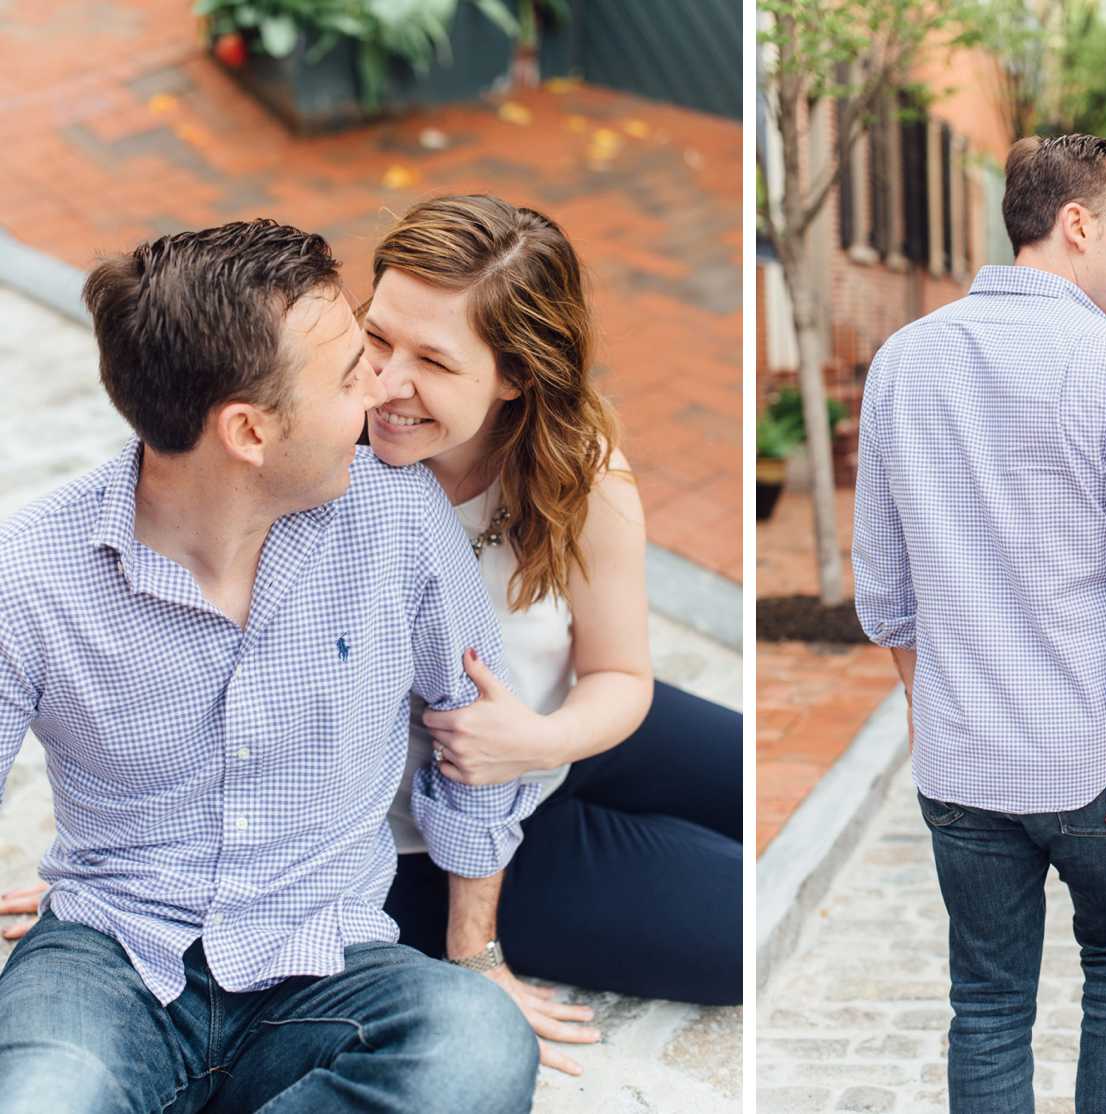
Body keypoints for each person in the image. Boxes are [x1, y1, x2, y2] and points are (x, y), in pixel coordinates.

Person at [0, 220, 541, 1113]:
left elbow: (474, 730)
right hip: (112, 960)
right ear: (249, 430)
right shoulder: (34, 570)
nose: (379, 387)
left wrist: (475, 951)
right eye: (347, 373)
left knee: (477, 1045)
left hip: (329, 965)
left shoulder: (398, 518)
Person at [852, 134, 1106, 1112]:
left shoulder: (902, 360)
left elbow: (883, 584)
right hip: (1101, 762)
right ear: (1076, 223)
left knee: (989, 1002)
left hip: (964, 761)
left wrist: (933, 711)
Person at [361, 195, 743, 1074]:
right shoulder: (323, 462)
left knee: (747, 782)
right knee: (735, 924)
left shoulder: (579, 468)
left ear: (516, 375)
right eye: (376, 337)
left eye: (431, 361)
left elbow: (617, 673)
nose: (383, 382)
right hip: (426, 833)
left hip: (541, 734)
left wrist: (538, 739)